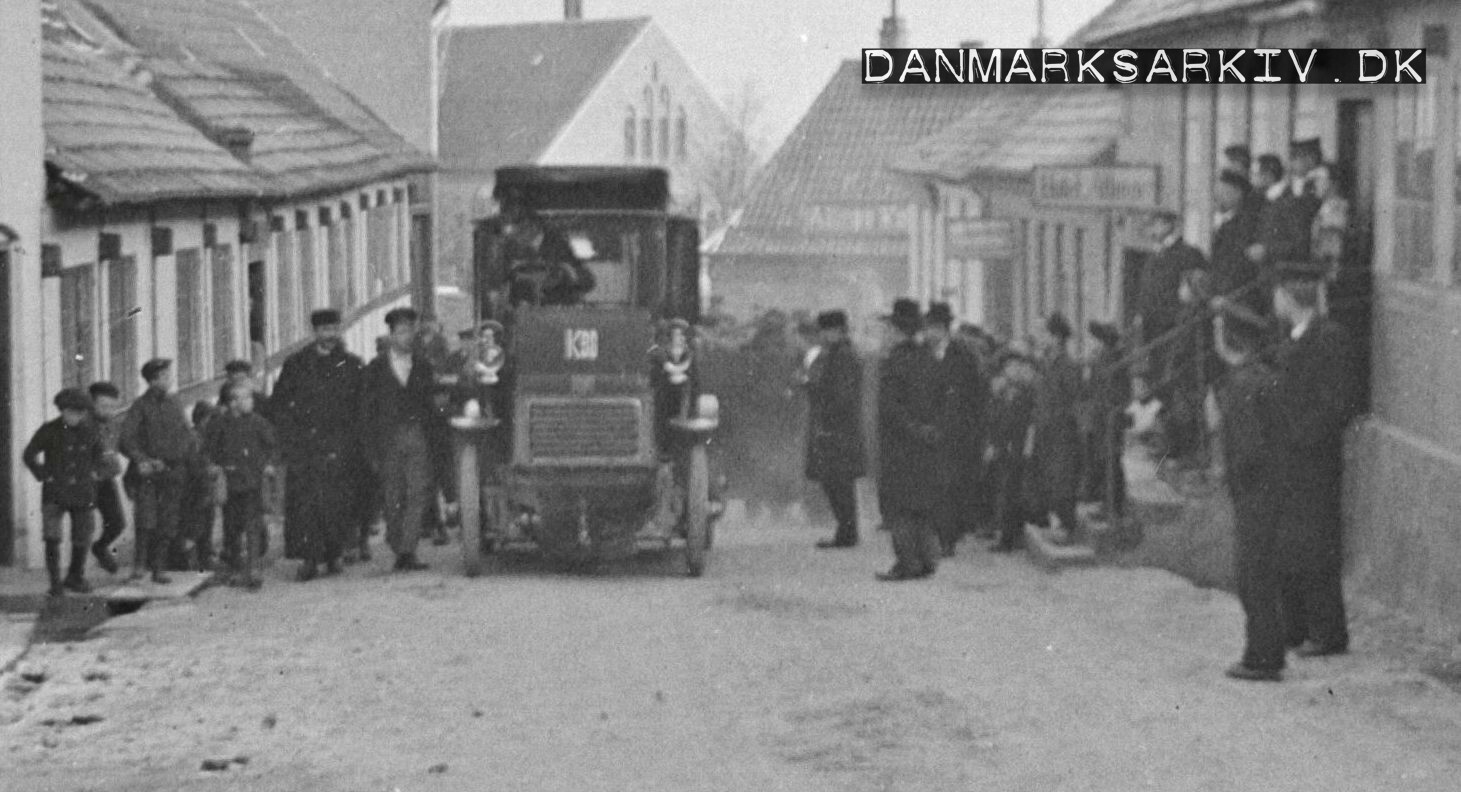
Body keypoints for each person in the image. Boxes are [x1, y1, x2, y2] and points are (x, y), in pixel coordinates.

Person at [1268, 260, 1360, 659]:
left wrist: (1300, 436)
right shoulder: (1292, 339)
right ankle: (1295, 627)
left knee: (1317, 547)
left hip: (1314, 463)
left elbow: (1337, 404)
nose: (1274, 301)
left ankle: (1327, 633)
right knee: (1289, 544)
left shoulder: (1328, 339)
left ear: (1290, 297)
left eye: (1278, 294)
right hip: (1289, 461)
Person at [1212, 308, 1286, 682]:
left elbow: (1248, 450)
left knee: (1252, 575)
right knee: (1262, 572)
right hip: (1274, 488)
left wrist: (1234, 483)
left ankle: (1262, 656)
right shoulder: (1267, 377)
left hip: (1255, 492)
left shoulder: (1241, 385)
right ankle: (1267, 650)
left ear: (1230, 341)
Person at [271, 308, 365, 581]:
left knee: (337, 502)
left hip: (340, 444)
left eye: (334, 329)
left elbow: (360, 407)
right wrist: (290, 438)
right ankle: (309, 559)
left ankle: (335, 555)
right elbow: (280, 403)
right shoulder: (296, 364)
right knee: (306, 505)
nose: (330, 335)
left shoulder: (351, 365)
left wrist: (353, 442)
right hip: (306, 446)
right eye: (324, 330)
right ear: (314, 333)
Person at [359, 307, 450, 572]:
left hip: (417, 435)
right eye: (401, 332)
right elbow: (366, 411)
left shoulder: (422, 366)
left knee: (418, 491)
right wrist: (370, 448)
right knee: (392, 495)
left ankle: (407, 550)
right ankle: (397, 544)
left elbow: (434, 402)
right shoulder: (375, 369)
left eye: (411, 331)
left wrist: (445, 408)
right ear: (391, 335)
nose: (407, 337)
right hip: (387, 439)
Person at [874, 298, 942, 581]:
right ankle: (928, 559)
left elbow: (890, 408)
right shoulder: (929, 356)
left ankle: (907, 563)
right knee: (923, 505)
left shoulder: (894, 362)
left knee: (899, 507)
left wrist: (911, 429)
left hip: (902, 444)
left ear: (896, 329)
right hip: (928, 441)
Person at [119, 358, 198, 584]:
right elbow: (126, 439)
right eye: (165, 376)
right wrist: (144, 459)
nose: (170, 379)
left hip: (173, 472)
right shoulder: (140, 407)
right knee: (146, 520)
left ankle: (159, 568)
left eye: (169, 375)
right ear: (153, 380)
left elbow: (186, 435)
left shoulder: (176, 403)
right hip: (148, 474)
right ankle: (139, 565)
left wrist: (183, 459)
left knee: (168, 521)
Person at [23, 388, 107, 596]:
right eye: (72, 412)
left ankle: (75, 577)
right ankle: (54, 582)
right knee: (52, 537)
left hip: (82, 491)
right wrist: (43, 474)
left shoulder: (91, 431)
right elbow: (29, 454)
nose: (76, 417)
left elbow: (101, 456)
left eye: (80, 413)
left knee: (83, 536)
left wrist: (96, 473)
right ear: (63, 411)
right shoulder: (49, 430)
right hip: (55, 491)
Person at [924, 302, 988, 557]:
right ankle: (941, 535)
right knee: (936, 486)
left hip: (957, 433)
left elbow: (976, 395)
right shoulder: (924, 354)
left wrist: (974, 431)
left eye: (931, 329)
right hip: (931, 431)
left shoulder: (963, 355)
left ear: (942, 329)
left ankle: (948, 539)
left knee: (950, 486)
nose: (928, 334)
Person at [202, 381, 278, 589]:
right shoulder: (219, 424)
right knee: (232, 527)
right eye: (246, 398)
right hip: (229, 483)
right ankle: (236, 568)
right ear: (233, 402)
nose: (250, 402)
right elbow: (207, 450)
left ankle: (253, 568)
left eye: (250, 398)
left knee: (253, 525)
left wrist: (270, 464)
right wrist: (212, 466)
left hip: (253, 481)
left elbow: (272, 446)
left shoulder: (258, 423)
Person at [804, 310, 866, 550]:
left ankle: (847, 532)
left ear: (837, 331)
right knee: (839, 482)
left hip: (838, 429)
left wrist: (813, 389)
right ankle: (846, 530)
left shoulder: (842, 357)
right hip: (841, 428)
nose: (823, 336)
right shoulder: (842, 354)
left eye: (826, 331)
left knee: (837, 482)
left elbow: (841, 396)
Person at [1135, 209, 1208, 384]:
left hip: (1175, 329)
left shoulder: (1188, 254)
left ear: (1170, 225)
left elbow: (1196, 292)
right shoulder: (1153, 257)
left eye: (1155, 224)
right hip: (1152, 329)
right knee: (1155, 377)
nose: (1151, 230)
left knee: (1172, 377)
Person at [1030, 313, 1083, 545]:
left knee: (1063, 478)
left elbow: (1072, 398)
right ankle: (1057, 523)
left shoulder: (1066, 364)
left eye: (1046, 334)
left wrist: (1059, 421)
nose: (1042, 338)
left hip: (1061, 430)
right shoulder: (1048, 362)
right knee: (1050, 478)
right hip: (1047, 429)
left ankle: (1067, 526)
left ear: (1057, 337)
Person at [1247, 141, 1324, 285]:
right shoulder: (1264, 200)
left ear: (1268, 176)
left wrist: (1267, 251)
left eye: (1255, 174)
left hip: (1284, 280)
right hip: (1266, 277)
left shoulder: (1289, 202)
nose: (1252, 179)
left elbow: (1300, 244)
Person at [988, 349, 1038, 552]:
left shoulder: (1026, 393)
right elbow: (997, 420)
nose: (1014, 371)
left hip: (1018, 448)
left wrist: (1027, 446)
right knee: (1006, 492)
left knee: (1012, 493)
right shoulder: (1004, 392)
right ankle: (1007, 535)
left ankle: (1009, 538)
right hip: (1005, 448)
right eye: (1010, 367)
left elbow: (1029, 422)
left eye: (1017, 367)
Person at [500, 205, 596, 307]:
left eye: (519, 228)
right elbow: (505, 278)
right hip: (524, 309)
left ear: (533, 225)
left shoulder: (558, 244)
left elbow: (577, 277)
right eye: (512, 231)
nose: (514, 235)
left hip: (559, 308)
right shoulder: (511, 248)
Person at [1085, 322, 1130, 523]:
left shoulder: (1114, 357)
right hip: (1102, 416)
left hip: (1110, 417)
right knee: (1104, 460)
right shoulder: (1104, 355)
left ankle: (1114, 506)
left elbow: (1117, 391)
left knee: (1112, 460)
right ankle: (1107, 502)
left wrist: (1111, 409)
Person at [87, 381, 128, 575]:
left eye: (113, 406)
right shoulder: (83, 425)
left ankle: (100, 547)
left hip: (106, 480)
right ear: (92, 404)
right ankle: (77, 572)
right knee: (83, 526)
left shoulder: (114, 423)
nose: (109, 411)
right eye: (104, 406)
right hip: (86, 482)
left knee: (117, 523)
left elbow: (125, 445)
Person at [1211, 169, 1264, 314]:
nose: (1217, 198)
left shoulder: (1246, 225)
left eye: (1223, 193)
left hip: (1238, 300)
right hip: (1222, 299)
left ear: (1237, 193)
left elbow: (1237, 263)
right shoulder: (1225, 224)